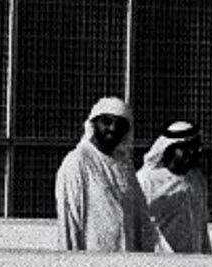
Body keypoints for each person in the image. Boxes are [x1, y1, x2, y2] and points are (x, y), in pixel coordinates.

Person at [55, 96, 150, 251]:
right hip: (91, 264)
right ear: (94, 124)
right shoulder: (78, 162)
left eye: (120, 125)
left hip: (126, 265)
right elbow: (70, 221)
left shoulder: (125, 166)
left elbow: (140, 221)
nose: (113, 128)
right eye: (106, 121)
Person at [139, 120, 212, 254]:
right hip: (160, 262)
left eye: (196, 147)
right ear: (170, 148)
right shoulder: (147, 181)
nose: (194, 152)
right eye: (187, 147)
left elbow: (201, 227)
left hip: (194, 263)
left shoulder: (196, 179)